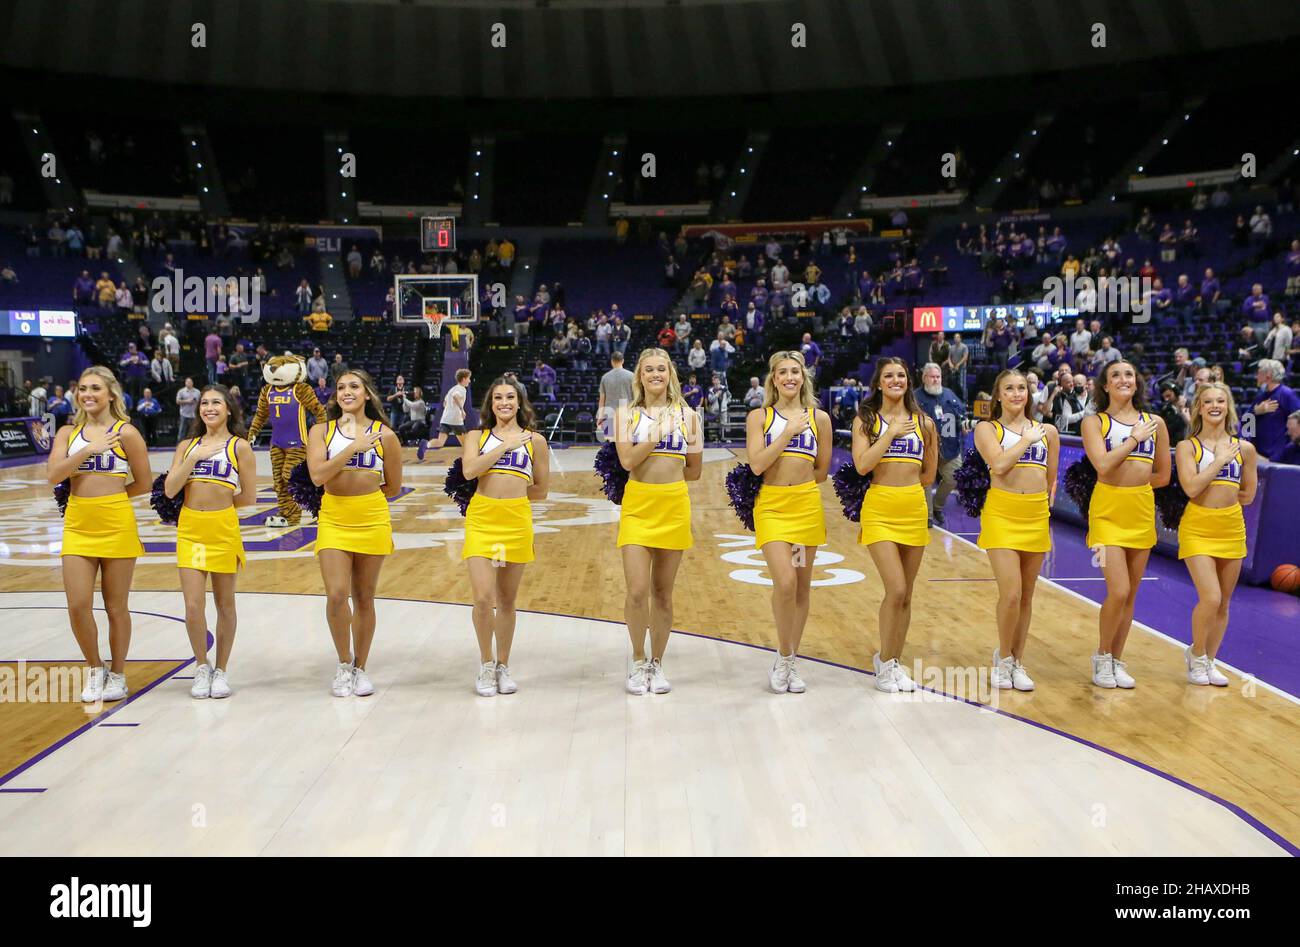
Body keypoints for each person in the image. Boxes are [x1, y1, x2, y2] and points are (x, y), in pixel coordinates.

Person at [46, 367, 152, 703]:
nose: (87, 394)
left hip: (117, 522)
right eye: (82, 388)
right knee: (77, 604)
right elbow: (53, 474)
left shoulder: (127, 433)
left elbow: (145, 483)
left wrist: (114, 499)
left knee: (116, 606)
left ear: (110, 394)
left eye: (95, 388)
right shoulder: (67, 432)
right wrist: (87, 450)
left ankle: (118, 673)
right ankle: (95, 668)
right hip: (78, 523)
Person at [306, 369, 403, 698]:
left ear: (367, 395)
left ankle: (360, 668)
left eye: (354, 386)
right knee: (336, 594)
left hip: (372, 516)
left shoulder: (385, 435)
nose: (346, 391)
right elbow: (318, 476)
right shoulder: (320, 431)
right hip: (334, 516)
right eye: (341, 387)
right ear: (335, 396)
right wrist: (354, 448)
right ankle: (343, 664)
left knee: (364, 597)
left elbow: (394, 485)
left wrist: (365, 492)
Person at [614, 349, 703, 695]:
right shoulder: (625, 415)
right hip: (638, 505)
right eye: (648, 369)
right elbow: (626, 460)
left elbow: (694, 470)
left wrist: (670, 469)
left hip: (673, 505)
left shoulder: (690, 416)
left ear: (670, 374)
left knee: (663, 593)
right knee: (637, 591)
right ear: (639, 376)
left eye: (661, 369)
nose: (655, 374)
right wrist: (659, 431)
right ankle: (638, 660)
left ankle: (657, 663)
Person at [1080, 359, 1170, 690]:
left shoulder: (1156, 422)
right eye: (1115, 375)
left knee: (1131, 594)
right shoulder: (1094, 422)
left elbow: (1163, 474)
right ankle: (1102, 656)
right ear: (1104, 385)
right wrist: (1132, 441)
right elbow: (1102, 466)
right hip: (1106, 511)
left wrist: (1138, 485)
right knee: (1117, 590)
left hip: (1141, 510)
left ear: (1137, 383)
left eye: (1129, 374)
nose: (1123, 379)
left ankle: (1117, 660)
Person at [162, 385, 256, 699]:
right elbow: (171, 489)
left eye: (216, 402)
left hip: (223, 528)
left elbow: (249, 496)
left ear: (229, 409)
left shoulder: (239, 447)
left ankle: (222, 670)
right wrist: (195, 457)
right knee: (192, 604)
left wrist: (220, 507)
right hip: (191, 529)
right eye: (204, 403)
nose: (209, 408)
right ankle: (202, 666)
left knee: (225, 604)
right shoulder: (187, 445)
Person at [745, 351, 832, 693]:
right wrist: (786, 434)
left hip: (806, 507)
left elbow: (822, 470)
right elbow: (756, 464)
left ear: (803, 377)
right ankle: (783, 656)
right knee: (784, 582)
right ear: (774, 379)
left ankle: (791, 659)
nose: (790, 377)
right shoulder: (760, 417)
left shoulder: (819, 418)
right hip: (772, 507)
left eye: (795, 371)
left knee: (800, 586)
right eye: (783, 372)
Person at [851, 357, 937, 693]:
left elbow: (929, 472)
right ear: (878, 383)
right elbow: (862, 465)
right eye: (889, 376)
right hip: (880, 509)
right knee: (896, 588)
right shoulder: (867, 420)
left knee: (907, 595)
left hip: (913, 509)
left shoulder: (924, 423)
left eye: (901, 375)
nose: (896, 380)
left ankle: (894, 661)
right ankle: (885, 664)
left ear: (908, 382)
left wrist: (911, 489)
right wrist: (888, 435)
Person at [461, 378, 551, 697]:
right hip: (483, 518)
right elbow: (470, 471)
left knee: (506, 600)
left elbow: (541, 488)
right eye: (498, 397)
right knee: (483, 597)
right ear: (491, 404)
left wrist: (513, 494)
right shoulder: (476, 436)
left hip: (514, 520)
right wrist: (502, 446)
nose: (504, 402)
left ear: (519, 402)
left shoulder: (535, 441)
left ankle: (503, 664)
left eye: (510, 397)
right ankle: (486, 664)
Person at [974, 370, 1059, 692]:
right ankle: (1003, 658)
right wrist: (1025, 440)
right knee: (1010, 594)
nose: (1016, 393)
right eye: (1009, 388)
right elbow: (998, 465)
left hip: (1035, 514)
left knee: (1026, 595)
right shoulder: (987, 429)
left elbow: (1050, 476)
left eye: (1021, 388)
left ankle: (1017, 661)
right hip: (1002, 513)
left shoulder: (1047, 431)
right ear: (998, 395)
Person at [1174, 384, 1257, 687]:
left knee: (1224, 603)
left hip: (1231, 526)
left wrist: (1228, 491)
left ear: (1228, 406)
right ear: (1198, 408)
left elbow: (1248, 492)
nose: (1214, 405)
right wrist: (1219, 461)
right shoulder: (1187, 447)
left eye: (1220, 401)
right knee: (1210, 597)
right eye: (1207, 401)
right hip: (1197, 525)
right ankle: (1196, 655)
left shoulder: (1245, 449)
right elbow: (1192, 488)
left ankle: (1210, 660)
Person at [915, 363, 966, 526]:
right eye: (932, 377)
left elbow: (961, 414)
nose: (936, 380)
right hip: (926, 447)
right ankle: (927, 515)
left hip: (950, 445)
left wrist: (963, 425)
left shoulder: (949, 394)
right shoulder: (915, 397)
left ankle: (937, 506)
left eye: (938, 377)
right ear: (924, 378)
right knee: (927, 481)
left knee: (954, 477)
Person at [1248, 360, 1300, 460]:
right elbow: (1246, 422)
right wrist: (1255, 412)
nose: (1256, 376)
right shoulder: (1260, 397)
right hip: (1258, 456)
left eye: (1259, 373)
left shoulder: (1287, 394)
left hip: (1279, 457)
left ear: (1268, 376)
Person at [419, 368, 471, 458]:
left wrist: (450, 407)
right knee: (466, 443)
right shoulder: (461, 389)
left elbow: (445, 403)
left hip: (445, 419)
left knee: (440, 442)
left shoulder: (451, 389)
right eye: (468, 378)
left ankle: (426, 444)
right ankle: (471, 461)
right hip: (456, 420)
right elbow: (456, 396)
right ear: (463, 379)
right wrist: (461, 409)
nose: (469, 381)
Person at [596, 350, 634, 442]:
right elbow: (636, 397)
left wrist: (600, 417)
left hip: (609, 414)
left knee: (610, 443)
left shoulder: (605, 377)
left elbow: (602, 400)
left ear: (612, 361)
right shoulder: (631, 376)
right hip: (627, 413)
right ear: (623, 361)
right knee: (626, 442)